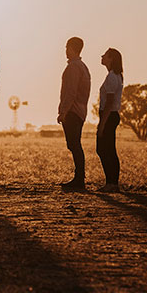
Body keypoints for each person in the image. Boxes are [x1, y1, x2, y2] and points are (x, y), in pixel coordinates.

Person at [57, 36, 90, 191]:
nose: (65, 51)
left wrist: (63, 112)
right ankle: (79, 177)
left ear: (72, 48)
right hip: (80, 111)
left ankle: (79, 179)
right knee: (75, 144)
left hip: (73, 111)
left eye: (66, 47)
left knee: (74, 145)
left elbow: (70, 92)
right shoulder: (83, 67)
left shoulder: (73, 68)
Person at [96, 47, 124, 193]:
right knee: (108, 149)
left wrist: (102, 123)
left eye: (105, 55)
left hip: (109, 114)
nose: (102, 57)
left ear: (111, 59)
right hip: (111, 115)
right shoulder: (115, 76)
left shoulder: (112, 77)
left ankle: (111, 183)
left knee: (103, 149)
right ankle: (112, 182)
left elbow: (109, 102)